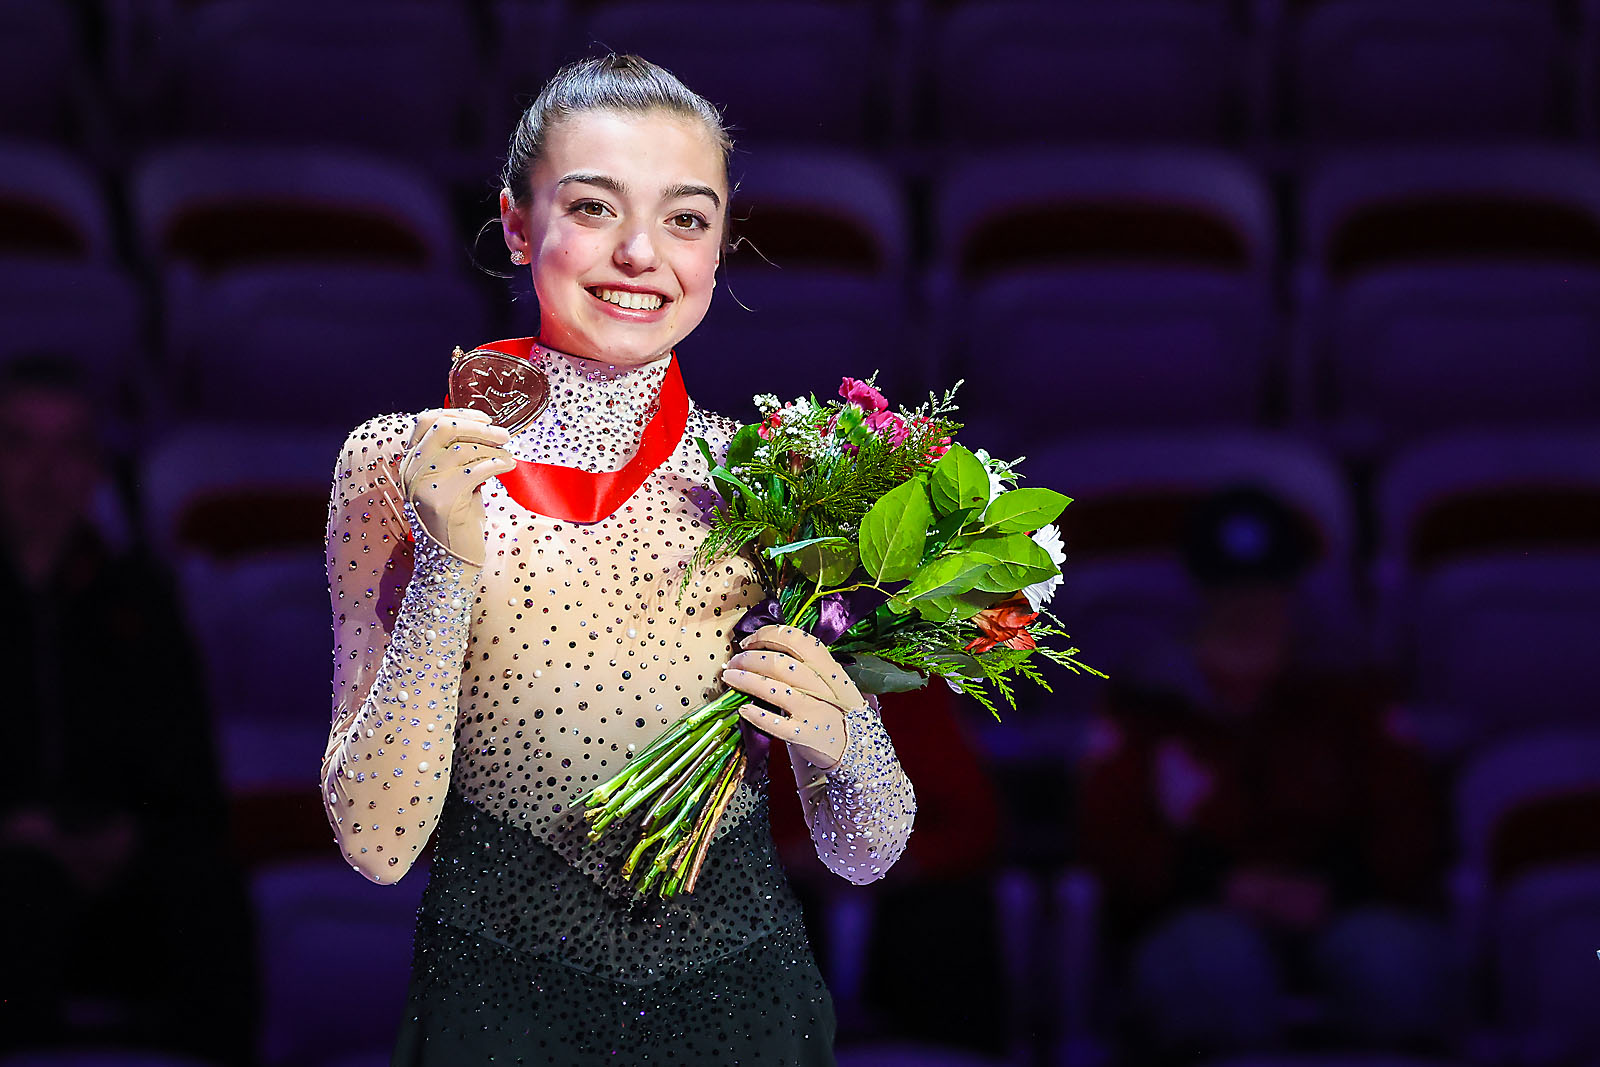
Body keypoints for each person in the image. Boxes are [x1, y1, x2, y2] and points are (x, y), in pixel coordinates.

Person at [320, 54, 917, 1065]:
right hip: (498, 1020)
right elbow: (377, 846)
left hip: (742, 1016)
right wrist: (444, 573)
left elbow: (864, 851)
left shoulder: (769, 482)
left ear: (722, 241)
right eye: (594, 207)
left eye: (686, 218)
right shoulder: (404, 463)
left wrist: (848, 740)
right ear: (517, 223)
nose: (642, 252)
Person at [1074, 486, 1456, 1062]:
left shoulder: (1351, 698)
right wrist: (1218, 884)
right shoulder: (1145, 707)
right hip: (1196, 910)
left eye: (1265, 591)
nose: (1247, 608)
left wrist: (1339, 886)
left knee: (1394, 962)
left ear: (1295, 593)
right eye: (1229, 592)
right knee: (1207, 966)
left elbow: (1409, 822)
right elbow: (1111, 836)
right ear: (1199, 593)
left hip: (1346, 903)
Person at [0, 354, 259, 1063]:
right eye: (22, 443)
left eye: (67, 446)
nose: (45, 472)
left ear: (93, 469)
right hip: (12, 866)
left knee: (210, 893)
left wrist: (128, 835)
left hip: (125, 866)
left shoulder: (140, 601)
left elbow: (190, 776)